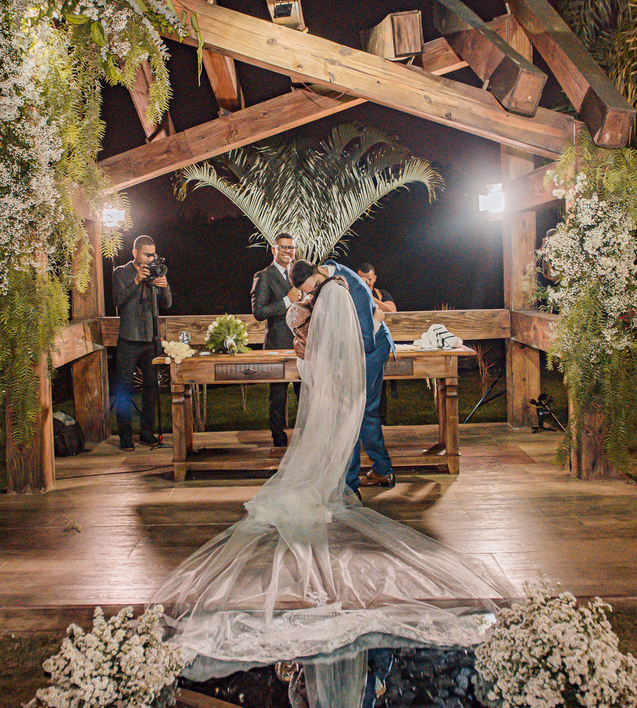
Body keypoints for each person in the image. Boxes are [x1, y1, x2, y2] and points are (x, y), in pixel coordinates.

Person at [151, 274, 512, 707]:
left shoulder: (330, 301)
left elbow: (325, 346)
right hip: (341, 376)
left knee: (340, 439)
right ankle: (342, 482)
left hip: (339, 375)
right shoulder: (336, 297)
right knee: (341, 437)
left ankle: (342, 482)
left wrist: (308, 346)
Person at [291, 259, 395, 492]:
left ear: (319, 272)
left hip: (370, 350)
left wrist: (375, 321)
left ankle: (348, 487)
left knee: (350, 411)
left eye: (314, 288)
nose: (314, 294)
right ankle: (382, 470)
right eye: (309, 292)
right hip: (352, 349)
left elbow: (366, 342)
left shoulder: (354, 290)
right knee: (364, 410)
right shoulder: (326, 274)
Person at [111, 235, 171, 451]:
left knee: (151, 388)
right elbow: (118, 300)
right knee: (124, 388)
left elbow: (167, 304)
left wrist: (164, 286)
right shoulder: (121, 272)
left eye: (153, 255)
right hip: (128, 338)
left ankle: (147, 432)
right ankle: (125, 435)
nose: (150, 258)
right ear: (135, 253)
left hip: (150, 338)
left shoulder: (156, 271)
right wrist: (136, 281)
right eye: (146, 254)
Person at [250, 233, 302, 448]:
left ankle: (306, 436)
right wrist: (287, 301)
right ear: (274, 250)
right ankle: (278, 438)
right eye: (284, 247)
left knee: (305, 392)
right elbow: (259, 312)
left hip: (302, 344)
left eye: (291, 247)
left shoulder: (299, 274)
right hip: (278, 344)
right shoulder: (264, 276)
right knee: (278, 396)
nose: (288, 251)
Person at [357, 263, 397, 422]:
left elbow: (392, 310)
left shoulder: (381, 294)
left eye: (369, 279)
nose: (366, 282)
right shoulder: (352, 293)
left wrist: (369, 296)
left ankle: (381, 419)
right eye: (362, 279)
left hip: (379, 345)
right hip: (361, 346)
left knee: (380, 384)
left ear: (374, 278)